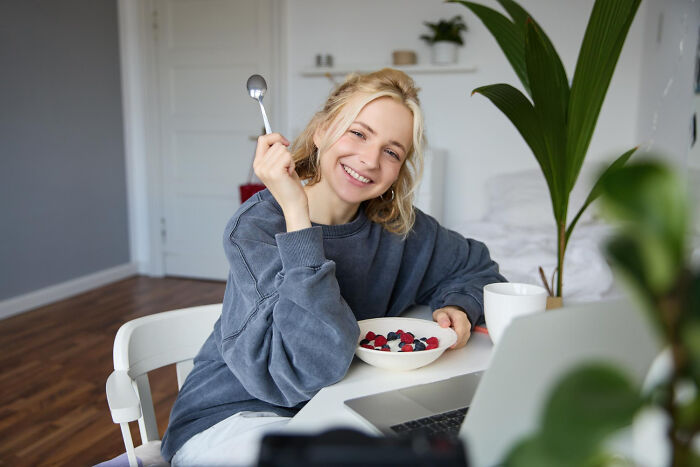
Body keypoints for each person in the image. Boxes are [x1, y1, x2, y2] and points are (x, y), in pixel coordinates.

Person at [161, 68, 506, 466]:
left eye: (392, 151)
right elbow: (304, 371)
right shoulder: (256, 228)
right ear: (322, 130)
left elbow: (478, 267)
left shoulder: (398, 228)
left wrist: (460, 305)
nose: (369, 159)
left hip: (335, 408)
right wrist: (295, 211)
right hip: (233, 418)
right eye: (358, 133)